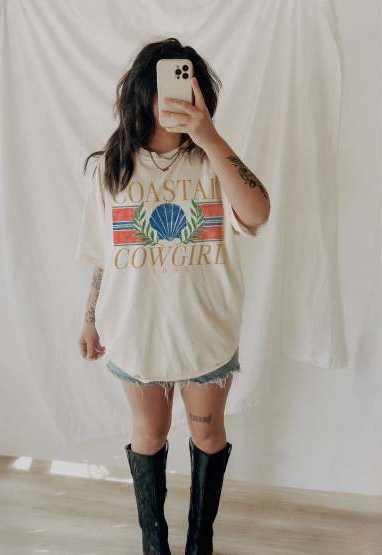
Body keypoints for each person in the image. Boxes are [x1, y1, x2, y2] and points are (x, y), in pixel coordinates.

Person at [76, 38, 270, 555]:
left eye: (189, 86)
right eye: (166, 87)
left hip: (205, 329)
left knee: (207, 435)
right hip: (134, 327)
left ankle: (200, 541)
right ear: (143, 93)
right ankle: (154, 542)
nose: (177, 97)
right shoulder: (110, 168)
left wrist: (208, 135)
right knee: (149, 433)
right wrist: (90, 317)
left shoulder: (212, 161)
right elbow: (103, 253)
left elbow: (257, 212)